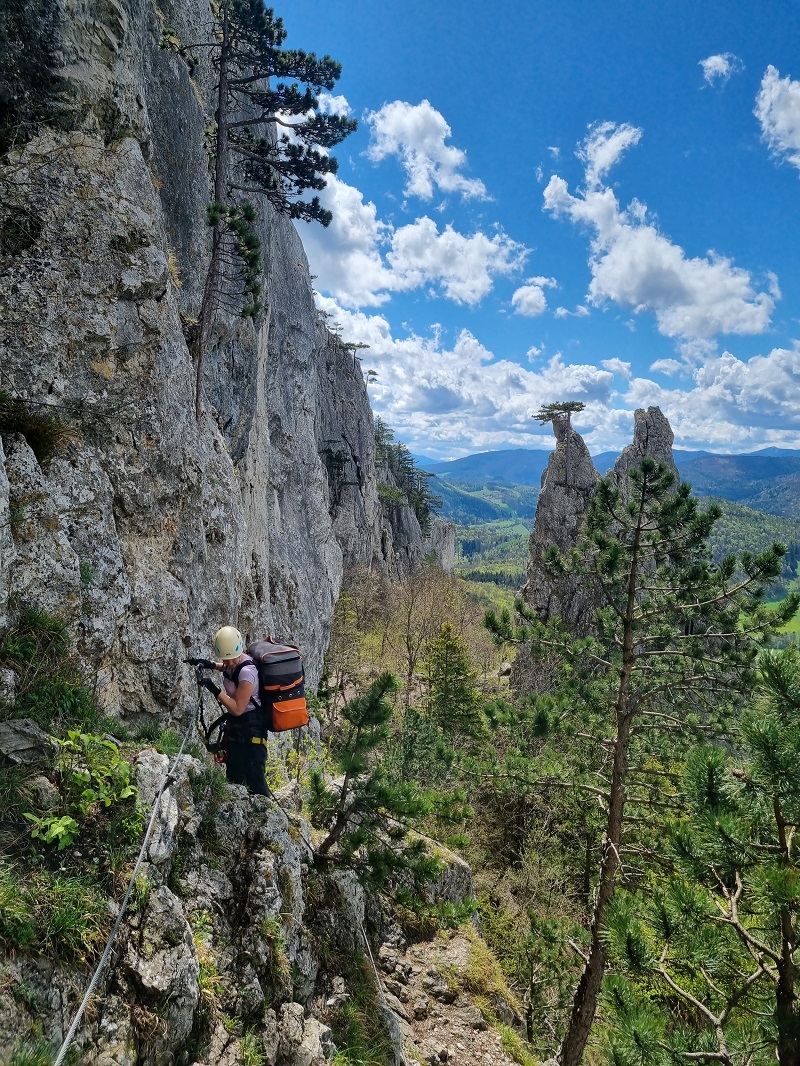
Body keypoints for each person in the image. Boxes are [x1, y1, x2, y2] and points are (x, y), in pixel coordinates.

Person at [199, 625, 272, 797]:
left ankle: (269, 815)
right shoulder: (234, 662)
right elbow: (229, 667)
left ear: (239, 651)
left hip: (252, 732)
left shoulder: (247, 673)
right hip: (238, 731)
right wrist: (209, 664)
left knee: (256, 783)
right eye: (225, 659)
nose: (229, 663)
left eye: (232, 658)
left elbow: (238, 708)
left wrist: (215, 690)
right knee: (233, 778)